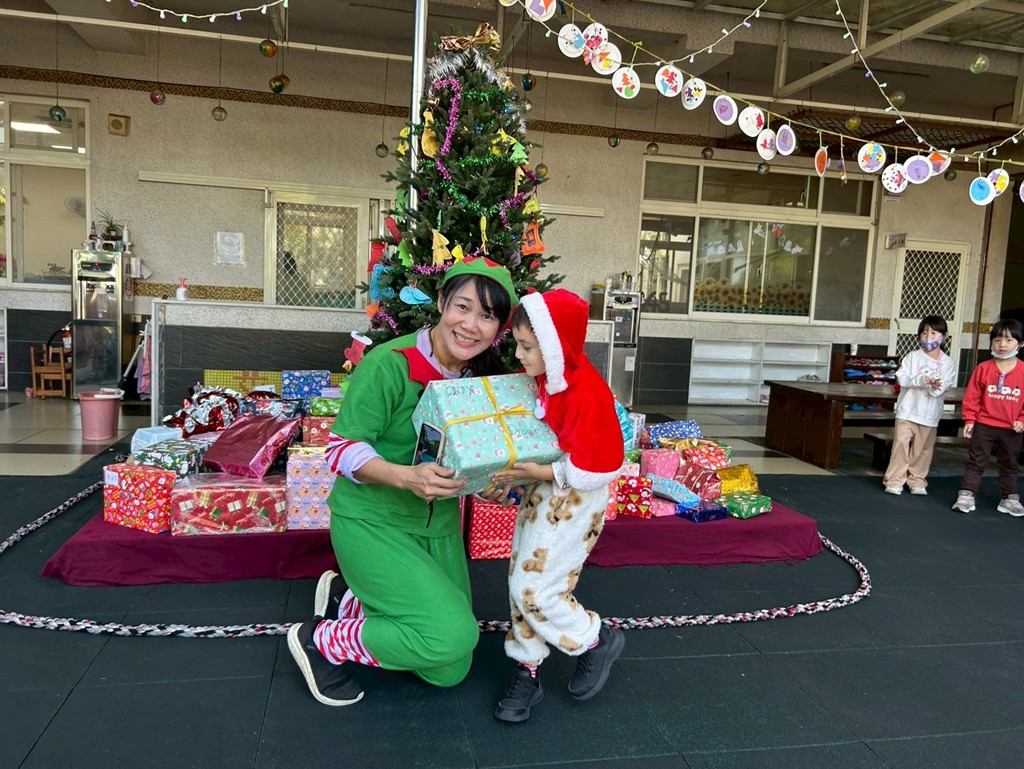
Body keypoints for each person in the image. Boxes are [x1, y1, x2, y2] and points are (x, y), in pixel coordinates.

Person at [287, 257, 519, 706]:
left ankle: (351, 600)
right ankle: (321, 641)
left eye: (487, 316)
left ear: (498, 328)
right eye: (463, 307)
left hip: (437, 529)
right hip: (372, 521)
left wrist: (490, 483)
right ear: (441, 302)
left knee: (449, 669)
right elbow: (340, 450)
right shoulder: (388, 364)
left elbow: (466, 460)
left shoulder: (482, 380)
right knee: (448, 636)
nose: (471, 325)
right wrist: (406, 477)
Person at [489, 289, 626, 723]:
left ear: (554, 346)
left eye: (527, 346)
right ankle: (527, 666)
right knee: (520, 577)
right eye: (517, 344)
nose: (518, 354)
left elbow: (597, 464)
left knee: (536, 586)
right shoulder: (549, 379)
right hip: (546, 488)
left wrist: (542, 471)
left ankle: (592, 640)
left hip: (575, 498)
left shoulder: (586, 392)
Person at [951, 318, 1024, 515]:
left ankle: (1009, 498)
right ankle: (966, 495)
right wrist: (970, 419)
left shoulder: (1023, 371)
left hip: (1011, 428)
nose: (1002, 345)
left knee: (1010, 463)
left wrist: (1022, 420)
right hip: (984, 425)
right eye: (997, 340)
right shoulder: (984, 368)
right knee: (976, 461)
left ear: (1021, 343)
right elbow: (972, 397)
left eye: (1009, 340)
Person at [882, 315, 957, 495]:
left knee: (923, 449)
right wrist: (921, 380)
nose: (928, 337)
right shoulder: (912, 357)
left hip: (930, 414)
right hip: (907, 411)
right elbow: (902, 378)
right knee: (900, 444)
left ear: (944, 336)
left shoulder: (947, 363)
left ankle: (917, 479)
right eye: (924, 333)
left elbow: (944, 386)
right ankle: (894, 480)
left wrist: (935, 387)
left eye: (934, 333)